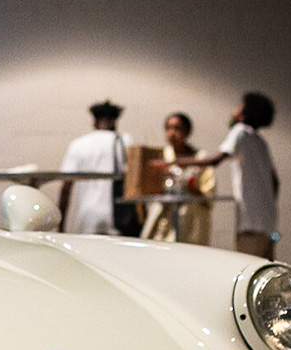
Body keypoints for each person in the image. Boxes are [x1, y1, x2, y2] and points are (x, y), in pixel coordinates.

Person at [181, 92, 279, 257]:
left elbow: (214, 161)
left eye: (239, 106)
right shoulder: (259, 140)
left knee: (248, 269)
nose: (234, 109)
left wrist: (174, 162)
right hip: (268, 221)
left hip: (250, 221)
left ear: (244, 113)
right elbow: (275, 182)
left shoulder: (240, 131)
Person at [57, 100, 133, 235]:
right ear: (115, 121)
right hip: (118, 216)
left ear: (94, 121)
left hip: (87, 214)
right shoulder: (125, 142)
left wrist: (60, 224)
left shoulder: (79, 144)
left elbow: (66, 186)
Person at [141, 112, 214, 245]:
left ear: (187, 131)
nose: (172, 133)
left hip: (190, 221)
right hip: (165, 219)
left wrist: (190, 186)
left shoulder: (200, 158)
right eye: (168, 128)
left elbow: (209, 195)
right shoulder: (161, 156)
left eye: (177, 128)